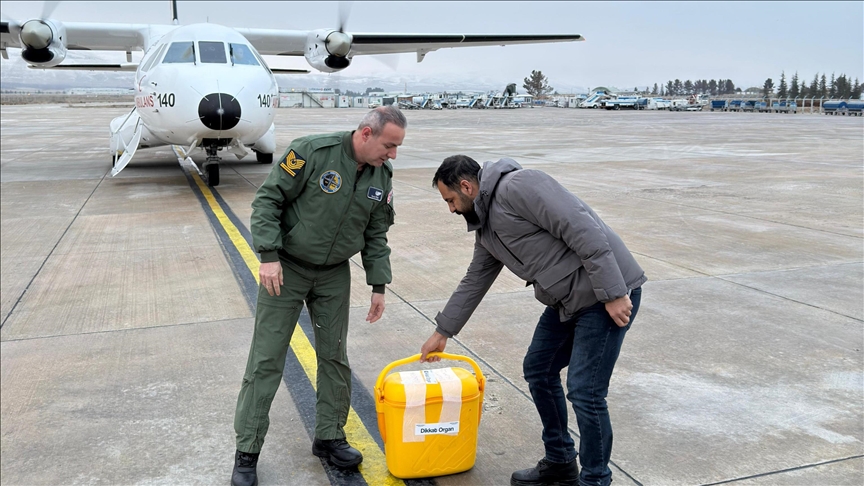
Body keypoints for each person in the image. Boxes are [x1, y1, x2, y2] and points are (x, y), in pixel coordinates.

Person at [420, 155, 646, 486]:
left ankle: (595, 479)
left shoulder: (519, 186)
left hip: (605, 295)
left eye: (451, 200)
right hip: (568, 301)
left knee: (585, 391)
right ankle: (560, 461)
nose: (451, 209)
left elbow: (581, 225)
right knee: (538, 369)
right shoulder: (487, 231)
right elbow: (475, 279)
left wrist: (613, 293)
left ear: (466, 186)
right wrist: (443, 331)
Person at [231, 106, 407, 486]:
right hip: (287, 269)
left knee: (334, 357)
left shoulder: (382, 175)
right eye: (389, 146)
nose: (392, 155)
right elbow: (268, 202)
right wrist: (268, 256)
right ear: (365, 134)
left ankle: (329, 436)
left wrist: (378, 286)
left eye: (396, 148)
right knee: (266, 360)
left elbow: (377, 233)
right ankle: (247, 451)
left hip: (333, 276)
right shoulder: (312, 152)